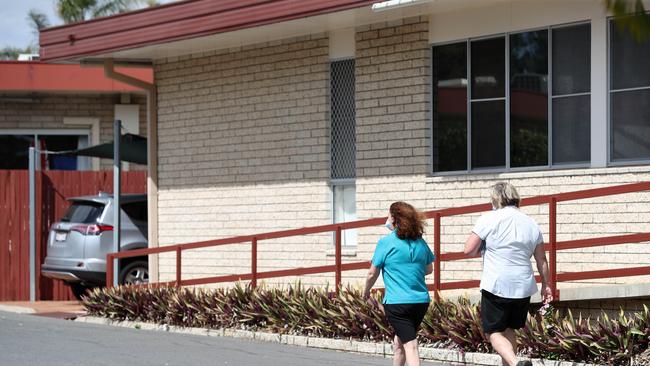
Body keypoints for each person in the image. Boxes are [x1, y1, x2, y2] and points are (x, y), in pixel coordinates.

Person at [464, 182, 553, 366]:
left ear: (496, 199)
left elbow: (468, 250)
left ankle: (515, 363)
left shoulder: (488, 218)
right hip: (523, 286)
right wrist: (547, 285)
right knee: (510, 329)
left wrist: (484, 247)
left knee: (493, 332)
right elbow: (541, 259)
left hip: (497, 284)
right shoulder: (531, 223)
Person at [363, 201, 434, 366]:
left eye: (388, 215)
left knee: (411, 346)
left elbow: (372, 273)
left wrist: (366, 292)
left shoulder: (386, 242)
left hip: (397, 304)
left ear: (394, 219)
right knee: (399, 343)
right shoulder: (420, 242)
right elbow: (428, 269)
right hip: (420, 302)